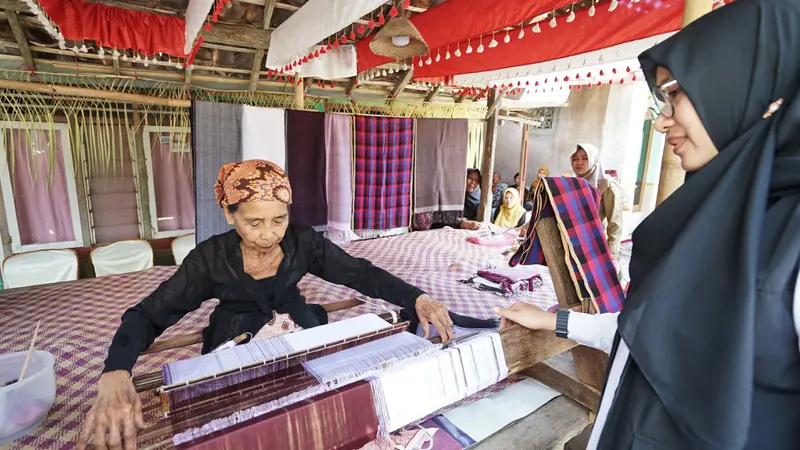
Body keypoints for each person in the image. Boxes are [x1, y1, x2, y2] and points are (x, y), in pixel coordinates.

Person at [496, 1, 800, 448]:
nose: (661, 120)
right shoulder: (714, 215)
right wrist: (554, 322)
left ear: (744, 87)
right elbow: (652, 332)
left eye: (675, 92)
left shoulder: (790, 241)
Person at [78, 160, 456, 450]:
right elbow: (147, 314)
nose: (269, 234)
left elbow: (361, 274)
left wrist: (415, 297)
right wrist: (116, 371)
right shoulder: (210, 260)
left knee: (336, 400)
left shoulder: (304, 242)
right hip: (236, 343)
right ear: (229, 215)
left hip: (302, 335)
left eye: (279, 219)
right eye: (254, 222)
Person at [570, 144, 622, 257]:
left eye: (585, 158)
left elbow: (615, 223)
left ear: (593, 159)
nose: (579, 162)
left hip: (594, 247)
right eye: (575, 159)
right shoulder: (572, 183)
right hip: (572, 244)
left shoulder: (606, 185)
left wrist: (612, 254)